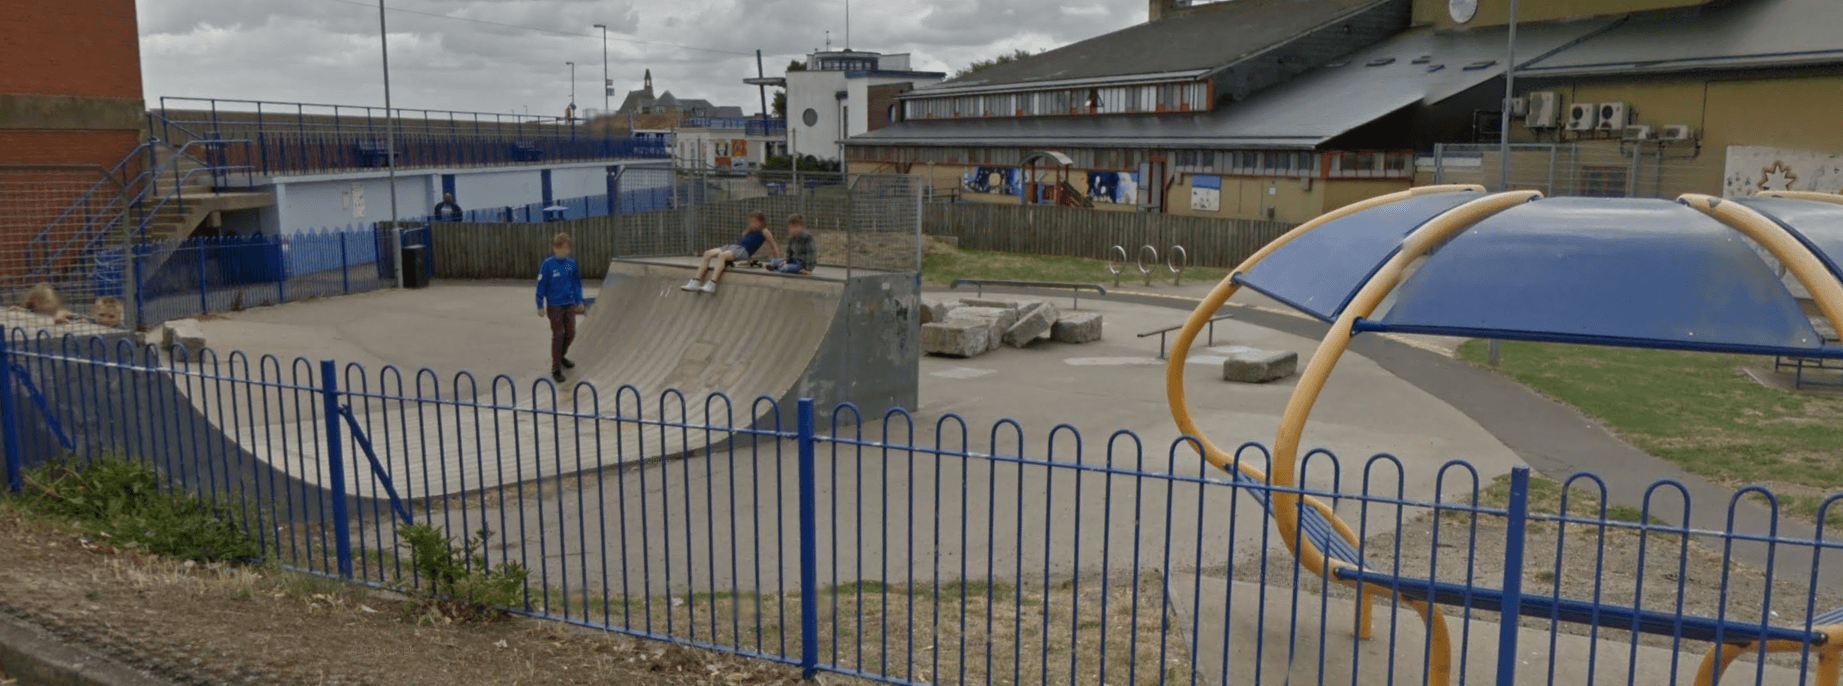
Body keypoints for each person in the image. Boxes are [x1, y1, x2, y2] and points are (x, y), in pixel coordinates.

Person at [682, 210, 779, 295]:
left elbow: (773, 246)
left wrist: (777, 261)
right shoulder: (749, 230)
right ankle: (696, 281)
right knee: (708, 253)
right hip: (734, 247)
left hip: (743, 251)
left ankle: (712, 283)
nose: (752, 224)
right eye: (751, 222)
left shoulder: (764, 231)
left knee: (722, 255)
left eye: (755, 222)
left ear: (761, 222)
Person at [535, 233, 584, 383]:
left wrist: (579, 300)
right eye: (562, 248)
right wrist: (539, 304)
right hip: (554, 305)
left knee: (570, 332)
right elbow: (541, 285)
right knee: (559, 333)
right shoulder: (548, 264)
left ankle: (561, 356)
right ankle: (556, 368)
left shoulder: (570, 264)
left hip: (568, 303)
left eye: (567, 249)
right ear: (555, 248)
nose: (565, 251)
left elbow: (576, 283)